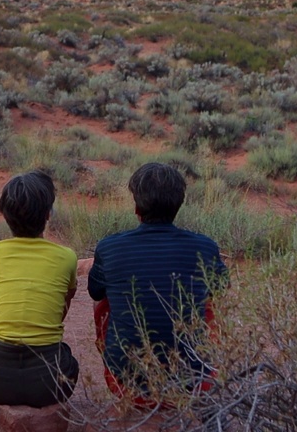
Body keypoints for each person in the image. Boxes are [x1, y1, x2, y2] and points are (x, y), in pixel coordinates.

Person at [87, 162, 227, 400]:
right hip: (193, 382)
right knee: (209, 301)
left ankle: (125, 364)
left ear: (136, 207)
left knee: (105, 300)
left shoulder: (110, 247)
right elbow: (221, 290)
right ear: (179, 205)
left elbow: (94, 292)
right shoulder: (206, 247)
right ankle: (200, 361)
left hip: (126, 382)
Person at [0, 171, 80, 407]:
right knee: (68, 356)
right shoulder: (67, 257)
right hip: (50, 384)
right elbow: (61, 311)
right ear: (49, 214)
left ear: (4, 214)